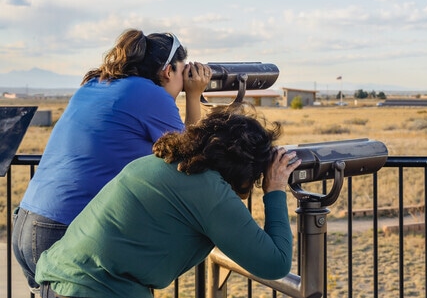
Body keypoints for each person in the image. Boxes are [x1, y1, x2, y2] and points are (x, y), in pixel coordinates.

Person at [12, 28, 212, 291]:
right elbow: (191, 157)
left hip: (27, 223)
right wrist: (195, 95)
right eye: (183, 72)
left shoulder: (95, 84)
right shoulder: (150, 95)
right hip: (63, 231)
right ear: (167, 72)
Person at [35, 105, 301, 298]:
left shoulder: (167, 161)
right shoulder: (207, 188)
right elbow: (274, 263)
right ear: (244, 167)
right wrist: (275, 189)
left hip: (59, 280)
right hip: (94, 291)